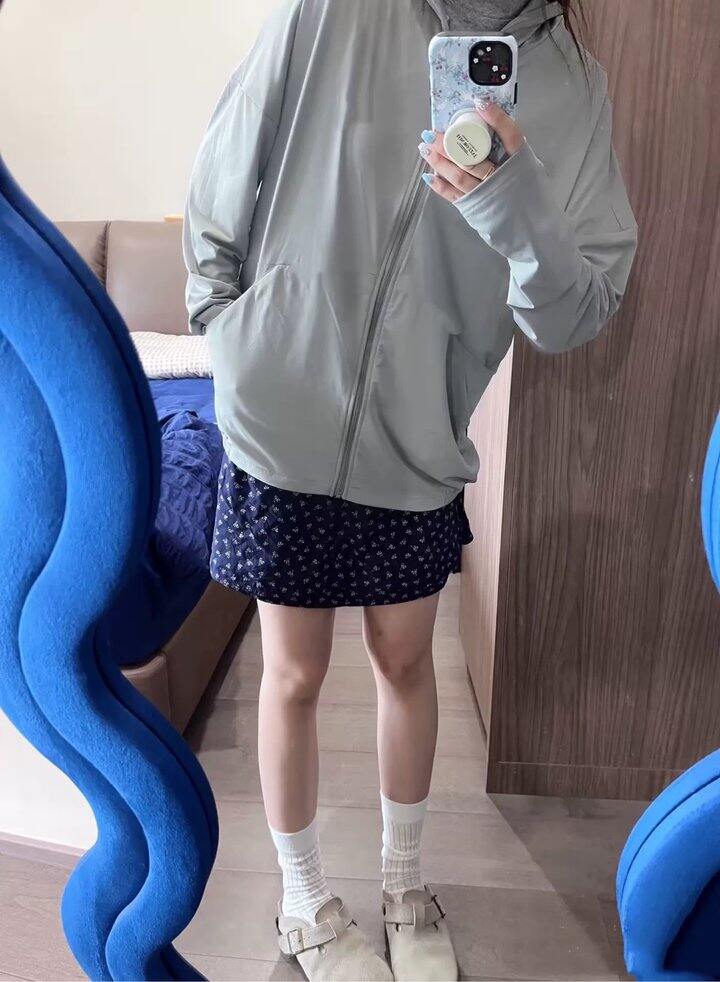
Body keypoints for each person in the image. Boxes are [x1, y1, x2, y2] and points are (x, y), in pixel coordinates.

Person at [184, 0, 638, 978]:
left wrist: (514, 202)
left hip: (421, 426)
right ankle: (303, 904)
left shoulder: (571, 84)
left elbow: (577, 310)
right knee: (294, 674)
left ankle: (403, 887)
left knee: (404, 661)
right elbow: (234, 145)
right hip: (281, 410)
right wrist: (224, 320)